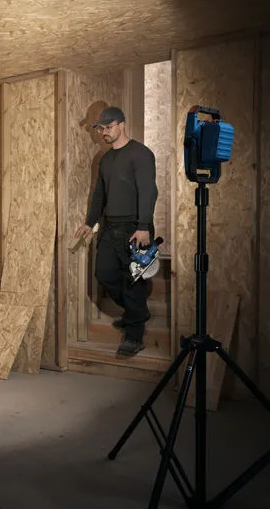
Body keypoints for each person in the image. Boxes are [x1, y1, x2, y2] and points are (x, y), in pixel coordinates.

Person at [75, 106, 158, 356]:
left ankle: (134, 336)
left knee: (133, 282)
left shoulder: (140, 154)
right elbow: (99, 193)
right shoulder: (106, 159)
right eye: (101, 128)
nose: (104, 132)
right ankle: (137, 312)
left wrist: (144, 226)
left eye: (108, 127)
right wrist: (90, 222)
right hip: (111, 228)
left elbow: (148, 191)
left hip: (135, 227)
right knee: (104, 273)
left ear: (122, 124)